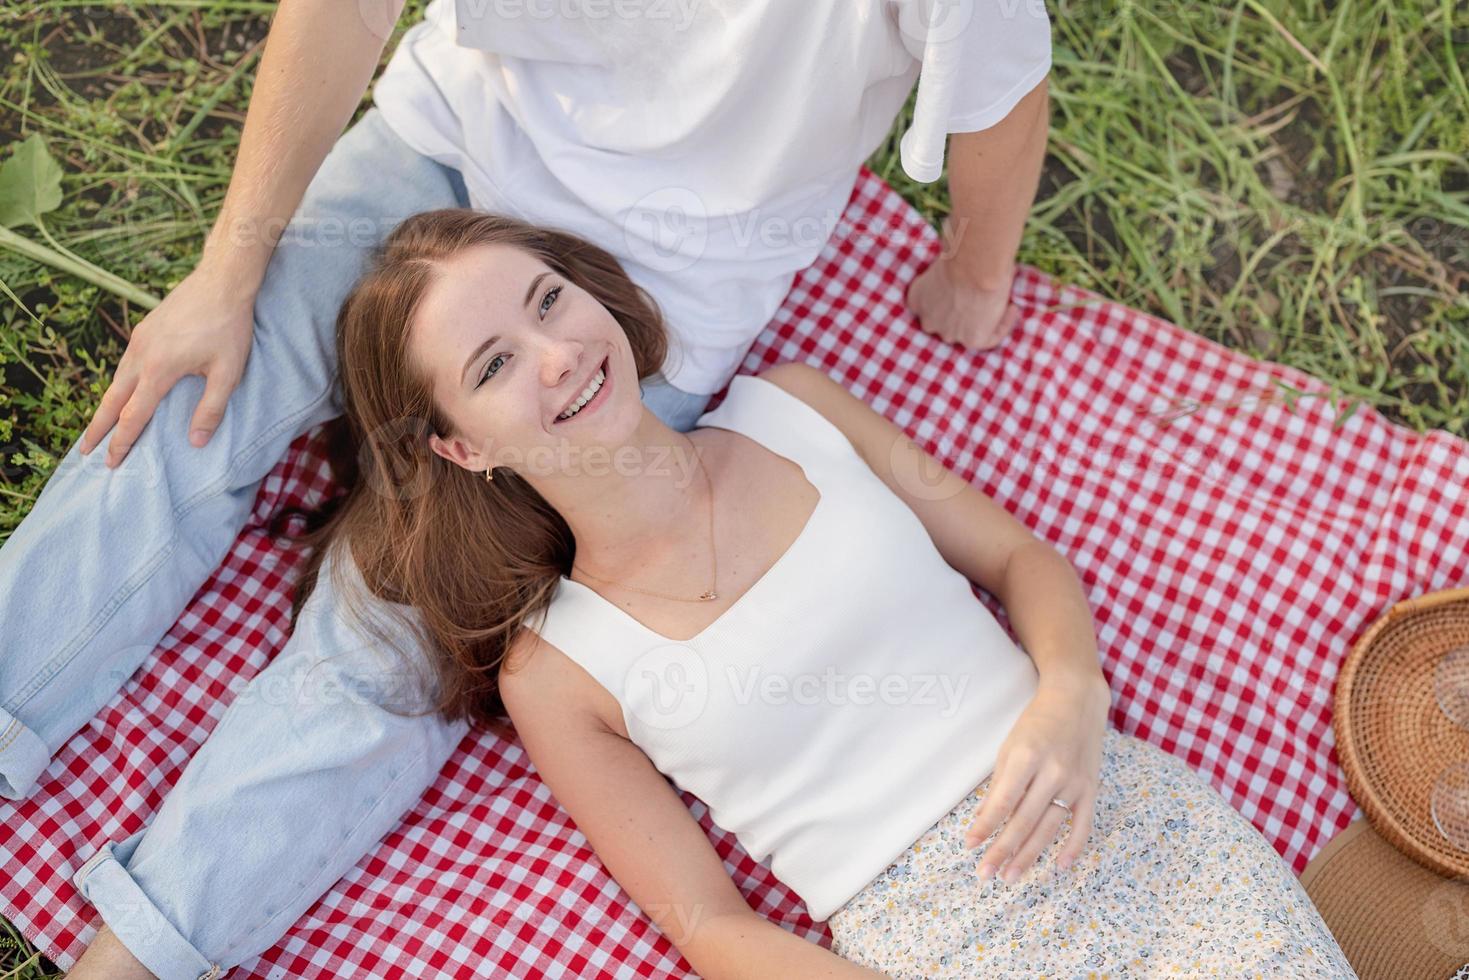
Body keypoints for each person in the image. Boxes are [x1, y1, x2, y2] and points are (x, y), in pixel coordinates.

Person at [2, 0, 1053, 976]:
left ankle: (137, 951)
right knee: (188, 405)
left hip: (634, 295)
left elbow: (999, 81)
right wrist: (226, 276)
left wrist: (977, 270)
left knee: (394, 634)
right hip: (447, 142)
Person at [257, 208, 1355, 976]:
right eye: (493, 364)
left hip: (1111, 814)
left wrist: (1069, 698)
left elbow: (1022, 559)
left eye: (550, 300)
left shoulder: (797, 408)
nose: (555, 354)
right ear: (457, 447)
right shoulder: (557, 669)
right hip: (925, 942)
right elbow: (708, 922)